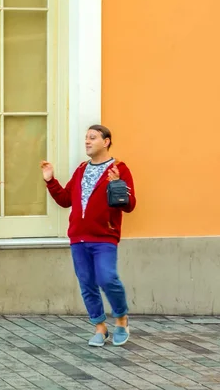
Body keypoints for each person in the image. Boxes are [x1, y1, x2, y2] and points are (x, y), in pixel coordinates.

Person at [40, 124, 136, 346]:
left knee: (107, 278)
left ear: (107, 141)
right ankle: (100, 327)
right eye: (86, 138)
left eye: (93, 137)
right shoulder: (81, 169)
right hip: (78, 237)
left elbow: (129, 205)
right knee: (87, 283)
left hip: (104, 236)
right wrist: (50, 180)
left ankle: (121, 318)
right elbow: (65, 200)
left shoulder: (120, 168)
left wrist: (117, 184)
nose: (87, 141)